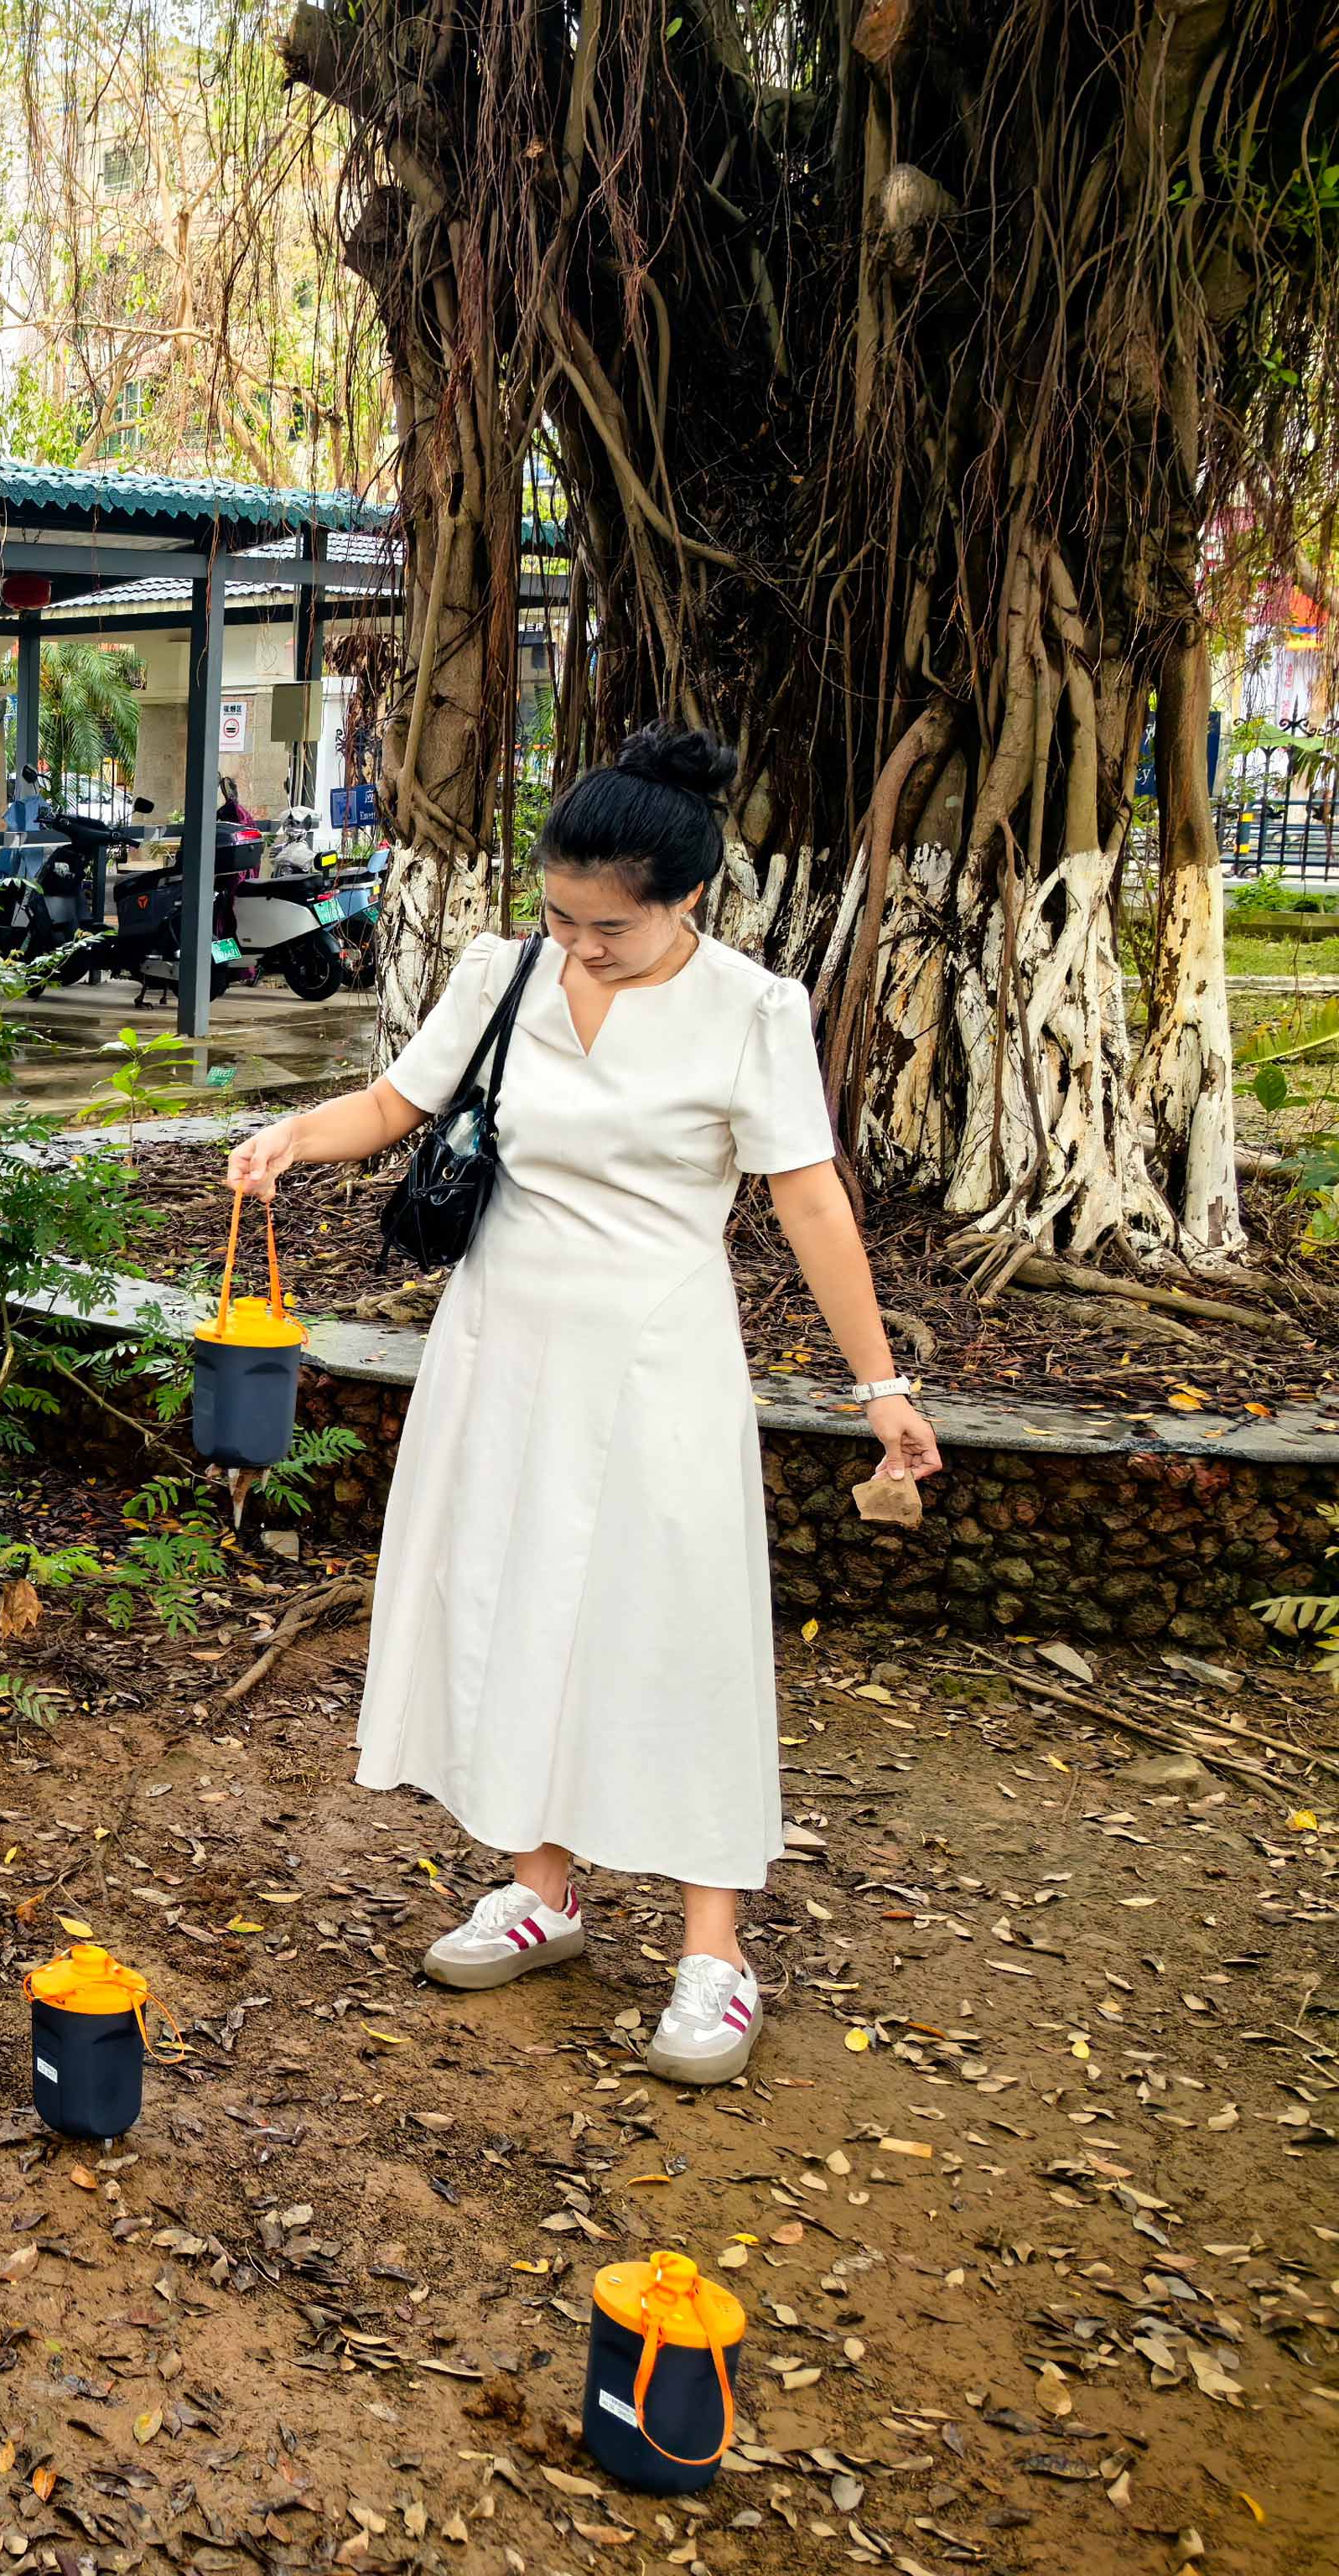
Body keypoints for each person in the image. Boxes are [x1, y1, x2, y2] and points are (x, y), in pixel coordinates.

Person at [224, 724, 942, 2086]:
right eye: (559, 913)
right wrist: (288, 1138)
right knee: (511, 1604)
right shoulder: (505, 971)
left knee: (673, 1629)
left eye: (606, 925)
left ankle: (714, 1951)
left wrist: (880, 1383)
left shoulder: (751, 1010)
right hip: (501, 1343)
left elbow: (805, 1199)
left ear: (684, 901)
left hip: (656, 1359)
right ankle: (541, 1887)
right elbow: (395, 1100)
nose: (578, 944)